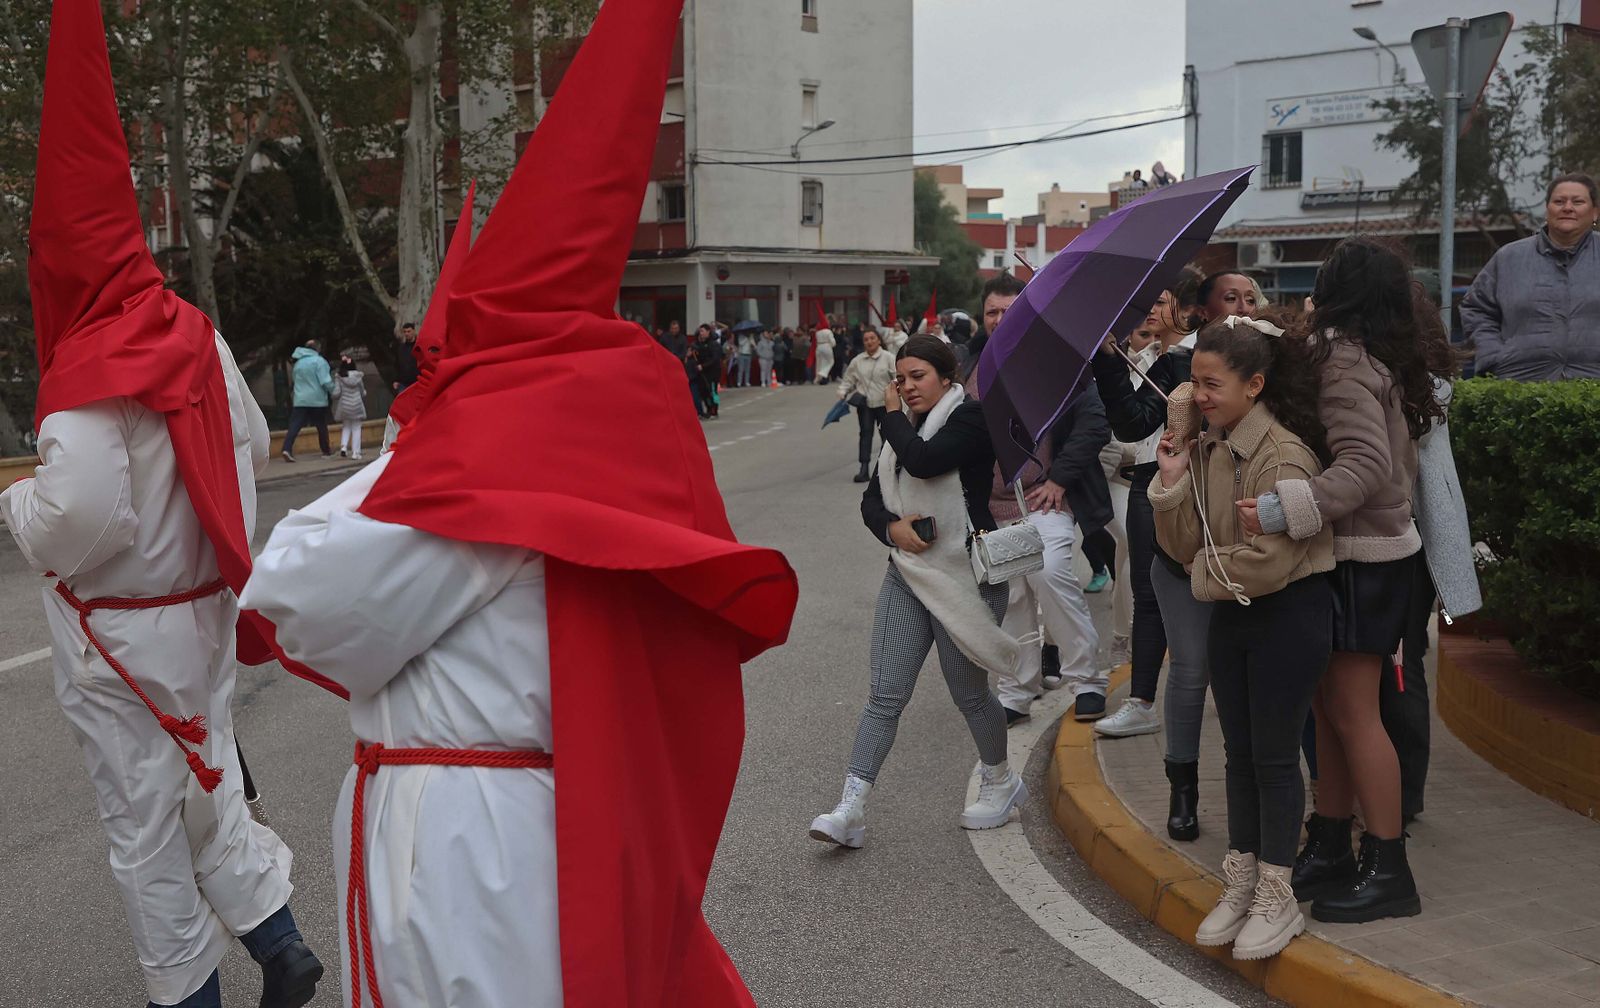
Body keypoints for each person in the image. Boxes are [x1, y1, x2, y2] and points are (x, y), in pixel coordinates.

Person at [240, 0, 798, 1003]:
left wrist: (423, 445)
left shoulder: (496, 452)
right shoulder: (586, 431)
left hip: (469, 854)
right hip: (520, 818)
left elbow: (300, 594)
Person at [7, 4, 325, 1004]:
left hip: (122, 641)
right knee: (206, 788)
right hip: (201, 616)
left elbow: (80, 520)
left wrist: (17, 506)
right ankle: (280, 943)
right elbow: (253, 447)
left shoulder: (86, 373)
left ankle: (191, 997)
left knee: (144, 832)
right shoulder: (197, 333)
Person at [1241, 237, 1455, 924]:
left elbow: (1363, 466)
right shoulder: (1364, 354)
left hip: (1363, 560)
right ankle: (1333, 843)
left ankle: (1388, 867)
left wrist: (1283, 509)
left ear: (1335, 289)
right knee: (1330, 709)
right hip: (1361, 559)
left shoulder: (1344, 362)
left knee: (1354, 712)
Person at [1151, 313, 1334, 961]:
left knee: (1275, 757)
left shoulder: (1283, 455)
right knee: (1238, 754)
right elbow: (1181, 547)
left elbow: (1271, 562)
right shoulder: (1208, 448)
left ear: (1254, 385)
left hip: (1289, 616)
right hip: (1231, 612)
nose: (1198, 396)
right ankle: (1244, 877)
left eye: (1211, 384)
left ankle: (1278, 893)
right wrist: (1172, 478)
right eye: (1193, 383)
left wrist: (1203, 569)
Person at [809, 336, 1021, 848]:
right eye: (900, 379)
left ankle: (1000, 780)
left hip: (966, 577)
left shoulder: (971, 418)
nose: (906, 387)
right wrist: (892, 529)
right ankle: (850, 808)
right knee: (885, 695)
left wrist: (889, 417)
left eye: (917, 376)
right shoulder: (903, 430)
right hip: (908, 572)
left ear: (947, 377)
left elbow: (925, 460)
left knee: (969, 694)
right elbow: (871, 501)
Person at [1089, 270, 1214, 844]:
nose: (1147, 311)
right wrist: (1111, 361)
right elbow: (1132, 422)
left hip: (1208, 488)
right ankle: (1143, 701)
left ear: (1184, 309)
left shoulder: (1198, 359)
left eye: (1157, 301)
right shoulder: (1150, 360)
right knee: (1150, 593)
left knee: (1200, 607)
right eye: (1140, 303)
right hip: (1150, 480)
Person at [986, 381, 1113, 725]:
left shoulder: (1062, 371)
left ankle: (1087, 680)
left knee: (1049, 571)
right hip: (993, 507)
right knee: (1011, 595)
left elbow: (1095, 424)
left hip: (1046, 498)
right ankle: (1016, 691)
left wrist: (1060, 477)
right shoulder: (975, 373)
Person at [1460, 172, 1600, 380]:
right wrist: (1492, 356)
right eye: (1559, 201)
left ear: (1595, 212)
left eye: (1578, 202)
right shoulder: (1509, 258)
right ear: (1547, 209)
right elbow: (1476, 308)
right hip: (1520, 386)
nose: (1567, 208)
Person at [837, 327, 896, 483]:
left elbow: (898, 378)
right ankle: (864, 469)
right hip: (865, 405)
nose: (869, 342)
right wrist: (842, 391)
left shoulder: (889, 358)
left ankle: (886, 469)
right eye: (866, 339)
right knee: (865, 435)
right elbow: (848, 379)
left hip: (885, 404)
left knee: (888, 437)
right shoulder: (857, 361)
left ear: (878, 340)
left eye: (872, 338)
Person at [282, 339, 335, 462]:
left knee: (295, 425)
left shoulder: (298, 364)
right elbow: (325, 381)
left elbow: (295, 381)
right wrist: (334, 390)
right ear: (317, 348)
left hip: (300, 399)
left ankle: (286, 448)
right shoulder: (319, 361)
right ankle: (326, 450)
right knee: (321, 426)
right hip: (317, 400)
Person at [334, 357, 367, 459]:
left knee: (346, 426)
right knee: (356, 428)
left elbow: (336, 393)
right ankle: (355, 452)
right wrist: (363, 393)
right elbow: (362, 392)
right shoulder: (358, 377)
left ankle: (343, 447)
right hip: (357, 405)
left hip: (345, 405)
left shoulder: (339, 377)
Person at [391, 322, 420, 393]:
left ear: (414, 331)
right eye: (405, 332)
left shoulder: (419, 347)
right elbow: (397, 365)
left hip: (417, 382)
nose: (406, 334)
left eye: (409, 331)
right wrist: (396, 380)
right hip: (403, 383)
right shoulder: (401, 348)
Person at [815, 316, 837, 385]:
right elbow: (833, 342)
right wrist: (832, 345)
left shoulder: (817, 332)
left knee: (821, 363)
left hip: (819, 346)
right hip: (826, 346)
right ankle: (823, 373)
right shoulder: (828, 331)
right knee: (830, 362)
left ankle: (820, 378)